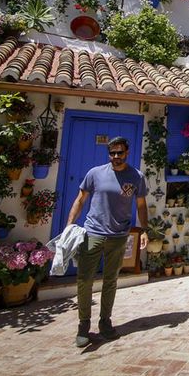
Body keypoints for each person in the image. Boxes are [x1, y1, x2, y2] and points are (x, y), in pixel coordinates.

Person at [65, 136, 149, 347]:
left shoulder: (136, 176)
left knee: (110, 281)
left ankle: (105, 322)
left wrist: (145, 229)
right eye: (112, 153)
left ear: (127, 153)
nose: (116, 157)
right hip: (93, 234)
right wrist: (69, 225)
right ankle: (83, 326)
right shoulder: (95, 173)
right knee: (84, 280)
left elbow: (140, 205)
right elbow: (81, 199)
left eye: (120, 153)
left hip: (119, 237)